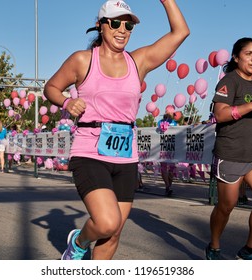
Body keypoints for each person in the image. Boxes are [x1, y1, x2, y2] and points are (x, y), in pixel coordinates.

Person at [44, 0, 189, 260]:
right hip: (90, 151)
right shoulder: (82, 60)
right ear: (101, 26)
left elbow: (180, 33)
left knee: (113, 234)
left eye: (129, 24)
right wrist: (67, 101)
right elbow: (51, 87)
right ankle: (78, 243)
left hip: (125, 155)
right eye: (115, 22)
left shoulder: (139, 61)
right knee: (107, 222)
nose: (122, 29)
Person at [205, 37, 252, 260]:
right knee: (226, 206)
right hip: (231, 154)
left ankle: (249, 250)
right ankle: (214, 246)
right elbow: (220, 114)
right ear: (236, 57)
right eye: (248, 54)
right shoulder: (228, 81)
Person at [157, 113, 177, 196]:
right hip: (163, 148)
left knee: (171, 170)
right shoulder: (159, 122)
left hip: (172, 148)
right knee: (164, 169)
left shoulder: (174, 122)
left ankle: (169, 186)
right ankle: (167, 186)